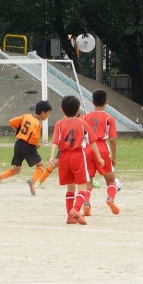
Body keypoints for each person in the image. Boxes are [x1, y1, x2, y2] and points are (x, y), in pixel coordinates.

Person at [46, 95, 102, 225]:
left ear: (62, 109)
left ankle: (69, 217)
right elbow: (92, 141)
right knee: (83, 187)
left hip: (63, 157)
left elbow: (55, 141)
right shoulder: (82, 123)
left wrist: (52, 157)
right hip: (77, 156)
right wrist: (99, 158)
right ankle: (76, 210)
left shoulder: (59, 124)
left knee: (70, 188)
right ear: (78, 110)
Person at [0, 101, 52, 194]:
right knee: (40, 165)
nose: (48, 116)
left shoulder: (26, 116)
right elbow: (33, 140)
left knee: (16, 170)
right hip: (28, 146)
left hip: (18, 144)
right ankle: (32, 181)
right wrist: (37, 145)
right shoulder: (37, 123)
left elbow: (11, 122)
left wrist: (19, 133)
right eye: (48, 113)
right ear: (43, 112)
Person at [80, 89, 120, 216]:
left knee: (88, 180)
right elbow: (112, 139)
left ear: (92, 102)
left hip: (87, 148)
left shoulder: (84, 117)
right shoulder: (109, 118)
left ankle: (86, 203)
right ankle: (110, 199)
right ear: (106, 102)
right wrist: (114, 157)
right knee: (111, 180)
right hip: (101, 148)